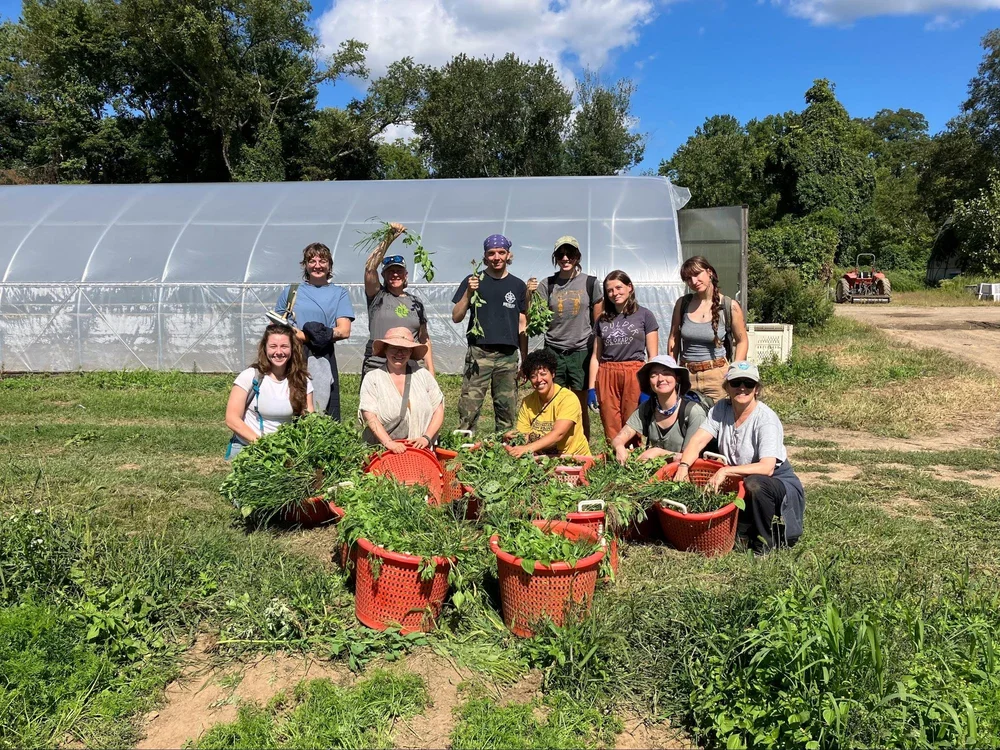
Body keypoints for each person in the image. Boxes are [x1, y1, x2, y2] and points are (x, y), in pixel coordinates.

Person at [674, 361, 805, 554]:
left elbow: (767, 467)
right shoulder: (720, 409)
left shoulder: (765, 419)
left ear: (757, 389)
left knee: (755, 485)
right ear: (727, 387)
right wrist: (683, 466)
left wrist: (725, 470)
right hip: (740, 477)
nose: (742, 388)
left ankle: (763, 543)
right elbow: (698, 440)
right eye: (736, 383)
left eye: (748, 383)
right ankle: (742, 530)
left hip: (775, 481)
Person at [525, 236, 602, 439]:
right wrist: (529, 296)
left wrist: (597, 352)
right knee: (552, 401)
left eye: (570, 253)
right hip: (554, 351)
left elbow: (598, 322)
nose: (565, 258)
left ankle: (581, 445)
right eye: (561, 254)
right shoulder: (547, 284)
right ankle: (554, 444)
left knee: (578, 403)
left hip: (580, 351)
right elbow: (533, 318)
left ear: (578, 256)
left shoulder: (590, 283)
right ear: (555, 257)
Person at [451, 234, 528, 433]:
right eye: (491, 253)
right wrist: (468, 293)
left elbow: (522, 324)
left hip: (508, 356)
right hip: (480, 354)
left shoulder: (518, 286)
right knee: (470, 406)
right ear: (485, 257)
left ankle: (504, 451)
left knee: (506, 409)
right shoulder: (474, 281)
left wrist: (525, 359)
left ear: (508, 255)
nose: (496, 257)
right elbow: (456, 316)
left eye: (501, 253)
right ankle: (465, 448)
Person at [274, 242, 354, 421]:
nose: (317, 265)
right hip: (292, 354)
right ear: (305, 265)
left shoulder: (339, 293)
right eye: (312, 261)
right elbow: (277, 326)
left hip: (321, 354)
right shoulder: (291, 292)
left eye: (322, 261)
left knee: (322, 406)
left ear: (330, 265)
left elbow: (344, 331)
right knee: (289, 401)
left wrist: (306, 336)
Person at [587, 270, 659, 445]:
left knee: (633, 420)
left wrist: (649, 386)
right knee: (610, 420)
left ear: (630, 288)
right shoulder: (602, 320)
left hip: (634, 371)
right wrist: (591, 389)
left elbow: (653, 355)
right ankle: (614, 461)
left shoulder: (645, 315)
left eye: (619, 287)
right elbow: (596, 357)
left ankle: (633, 460)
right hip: (607, 371)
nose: (614, 293)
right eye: (610, 290)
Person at [224, 324, 314, 460]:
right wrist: (264, 445)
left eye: (284, 346)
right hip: (249, 450)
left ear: (292, 348)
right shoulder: (250, 377)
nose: (278, 352)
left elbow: (309, 420)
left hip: (285, 454)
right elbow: (232, 419)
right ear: (265, 348)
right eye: (273, 346)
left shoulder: (302, 381)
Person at [668, 256, 748, 403]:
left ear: (709, 272)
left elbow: (742, 340)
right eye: (688, 279)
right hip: (687, 376)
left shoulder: (729, 305)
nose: (693, 281)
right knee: (689, 422)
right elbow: (674, 337)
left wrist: (734, 371)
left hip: (717, 376)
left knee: (719, 421)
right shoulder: (683, 304)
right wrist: (672, 369)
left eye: (697, 274)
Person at [362, 222, 434, 378]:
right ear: (383, 276)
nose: (395, 274)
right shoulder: (378, 296)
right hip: (377, 366)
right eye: (390, 271)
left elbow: (424, 338)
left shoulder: (416, 303)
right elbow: (369, 268)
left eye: (399, 271)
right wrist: (389, 237)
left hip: (409, 366)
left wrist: (431, 373)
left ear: (406, 275)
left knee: (409, 403)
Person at [358, 328, 444, 453]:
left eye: (405, 349)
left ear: (411, 352)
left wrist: (426, 438)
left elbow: (438, 409)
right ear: (386, 350)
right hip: (383, 453)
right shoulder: (373, 378)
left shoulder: (423, 376)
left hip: (422, 452)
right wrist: (389, 443)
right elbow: (369, 415)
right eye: (394, 348)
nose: (399, 353)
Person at [610, 355, 708, 464]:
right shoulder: (647, 408)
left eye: (666, 373)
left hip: (684, 475)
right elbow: (619, 437)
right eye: (654, 375)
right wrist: (619, 447)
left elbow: (689, 457)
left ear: (677, 379)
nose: (661, 379)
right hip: (656, 474)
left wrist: (657, 453)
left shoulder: (693, 412)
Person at [505, 349, 591, 459]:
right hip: (543, 460)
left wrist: (527, 448)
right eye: (533, 376)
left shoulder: (568, 399)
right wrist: (511, 437)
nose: (539, 379)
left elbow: (558, 434)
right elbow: (524, 435)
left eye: (543, 374)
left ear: (553, 374)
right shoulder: (527, 402)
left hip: (573, 459)